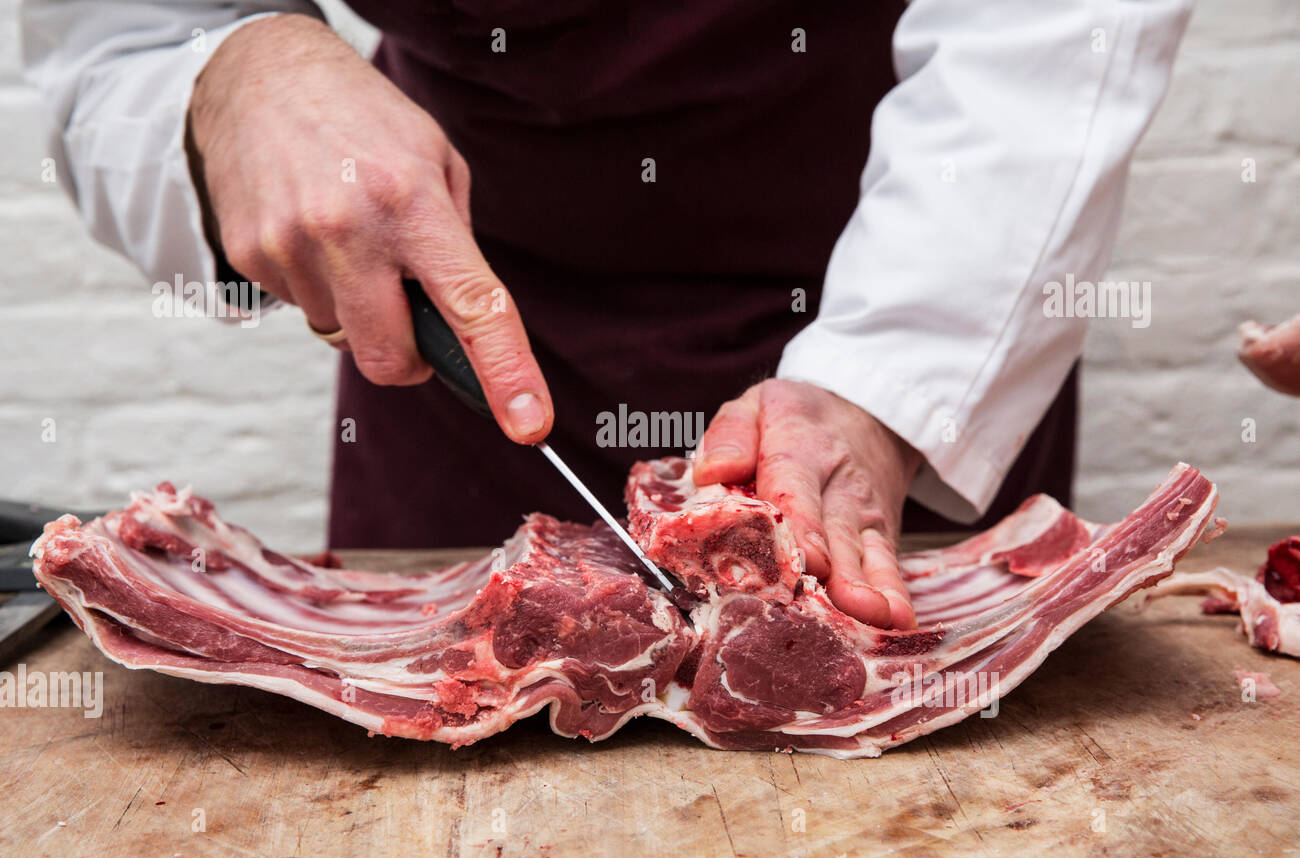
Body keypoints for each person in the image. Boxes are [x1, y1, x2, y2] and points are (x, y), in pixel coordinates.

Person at [21, 0, 1192, 629]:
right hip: (461, 306)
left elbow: (1054, 24)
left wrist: (889, 379)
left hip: (903, 262)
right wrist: (234, 73)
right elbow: (117, 28)